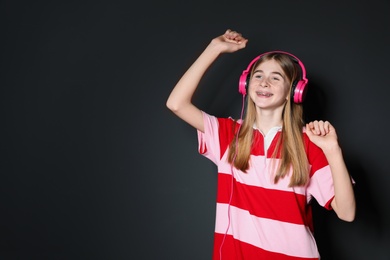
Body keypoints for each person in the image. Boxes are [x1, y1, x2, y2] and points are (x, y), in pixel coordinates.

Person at [166, 29, 355, 260]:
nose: (264, 82)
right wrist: (214, 48)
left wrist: (333, 151)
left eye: (276, 77)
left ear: (293, 92)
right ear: (245, 84)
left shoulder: (310, 142)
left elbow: (347, 213)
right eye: (258, 75)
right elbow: (177, 104)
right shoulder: (228, 134)